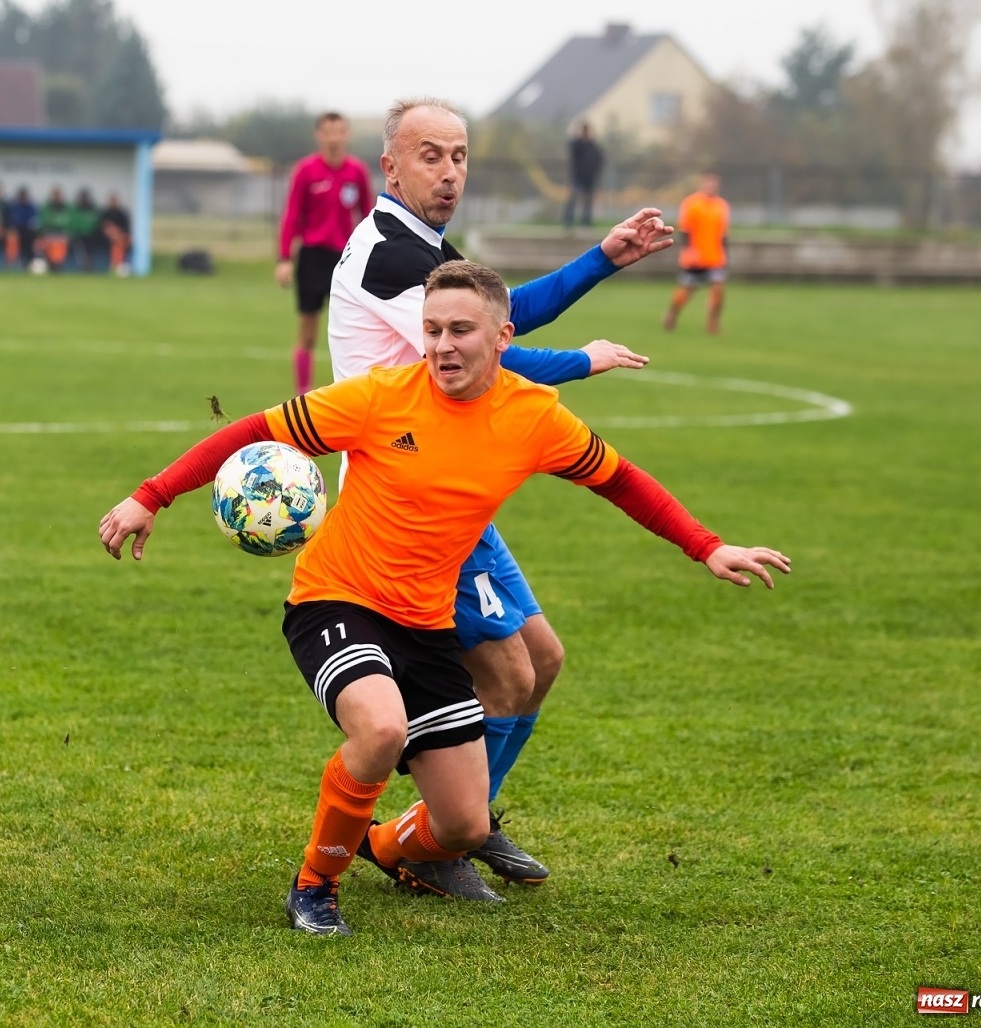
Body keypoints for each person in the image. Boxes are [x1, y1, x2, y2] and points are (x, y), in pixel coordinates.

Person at [99, 260, 788, 935]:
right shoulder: (379, 398)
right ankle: (315, 885)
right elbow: (253, 431)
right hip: (337, 600)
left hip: (427, 625)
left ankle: (388, 847)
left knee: (464, 823)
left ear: (503, 337)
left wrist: (707, 545)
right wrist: (149, 495)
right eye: (431, 329)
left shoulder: (536, 418)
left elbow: (621, 480)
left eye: (461, 329)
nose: (442, 345)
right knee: (380, 728)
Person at [329, 97, 669, 898]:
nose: (450, 173)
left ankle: (460, 821)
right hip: (407, 494)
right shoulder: (385, 255)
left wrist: (603, 257)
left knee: (542, 661)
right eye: (431, 157)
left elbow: (500, 315)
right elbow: (489, 361)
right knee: (510, 677)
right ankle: (427, 838)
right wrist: (583, 362)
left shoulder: (422, 246)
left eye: (460, 157)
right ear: (391, 166)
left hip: (457, 487)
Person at [276, 112, 374, 397]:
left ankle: (351, 392)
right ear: (319, 135)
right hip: (312, 258)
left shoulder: (357, 172)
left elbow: (369, 216)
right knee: (307, 332)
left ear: (347, 135)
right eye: (328, 132)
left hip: (347, 259)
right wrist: (284, 258)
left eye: (339, 132)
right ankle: (302, 394)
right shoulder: (306, 171)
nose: (334, 138)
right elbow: (292, 215)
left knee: (353, 330)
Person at [664, 173, 731, 334]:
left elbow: (723, 233)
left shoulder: (722, 206)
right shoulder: (692, 204)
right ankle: (672, 313)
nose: (711, 188)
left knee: (718, 290)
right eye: (709, 184)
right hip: (695, 257)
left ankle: (712, 323)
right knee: (686, 291)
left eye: (714, 185)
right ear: (703, 185)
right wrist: (689, 251)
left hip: (715, 257)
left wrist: (725, 254)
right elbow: (685, 230)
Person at [565, 122, 604, 228]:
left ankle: (585, 223)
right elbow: (574, 154)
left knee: (588, 202)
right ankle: (568, 223)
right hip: (578, 177)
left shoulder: (592, 146)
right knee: (574, 199)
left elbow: (599, 159)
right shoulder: (577, 144)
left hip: (590, 178)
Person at [37, 187, 72, 271]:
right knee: (44, 242)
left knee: (61, 241)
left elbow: (68, 224)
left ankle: (58, 264)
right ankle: (49, 264)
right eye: (55, 195)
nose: (57, 198)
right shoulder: (47, 207)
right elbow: (44, 223)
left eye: (58, 195)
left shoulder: (66, 208)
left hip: (62, 234)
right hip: (49, 233)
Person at [99, 193, 132, 274]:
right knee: (117, 243)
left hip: (120, 238)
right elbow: (103, 228)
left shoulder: (121, 214)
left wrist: (119, 235)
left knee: (120, 242)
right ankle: (117, 265)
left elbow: (126, 229)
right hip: (106, 239)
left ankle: (117, 265)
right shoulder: (105, 214)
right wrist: (112, 234)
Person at [70, 188, 101, 272]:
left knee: (91, 250)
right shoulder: (75, 210)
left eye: (85, 197)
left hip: (92, 236)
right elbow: (73, 225)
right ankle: (84, 266)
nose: (84, 199)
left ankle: (90, 266)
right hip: (79, 236)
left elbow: (97, 224)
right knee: (81, 252)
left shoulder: (93, 209)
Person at [9, 186, 38, 269]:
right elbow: (11, 221)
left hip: (28, 232)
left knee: (31, 243)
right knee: (12, 239)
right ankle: (12, 264)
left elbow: (33, 222)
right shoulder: (15, 207)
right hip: (16, 231)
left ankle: (30, 263)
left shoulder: (30, 207)